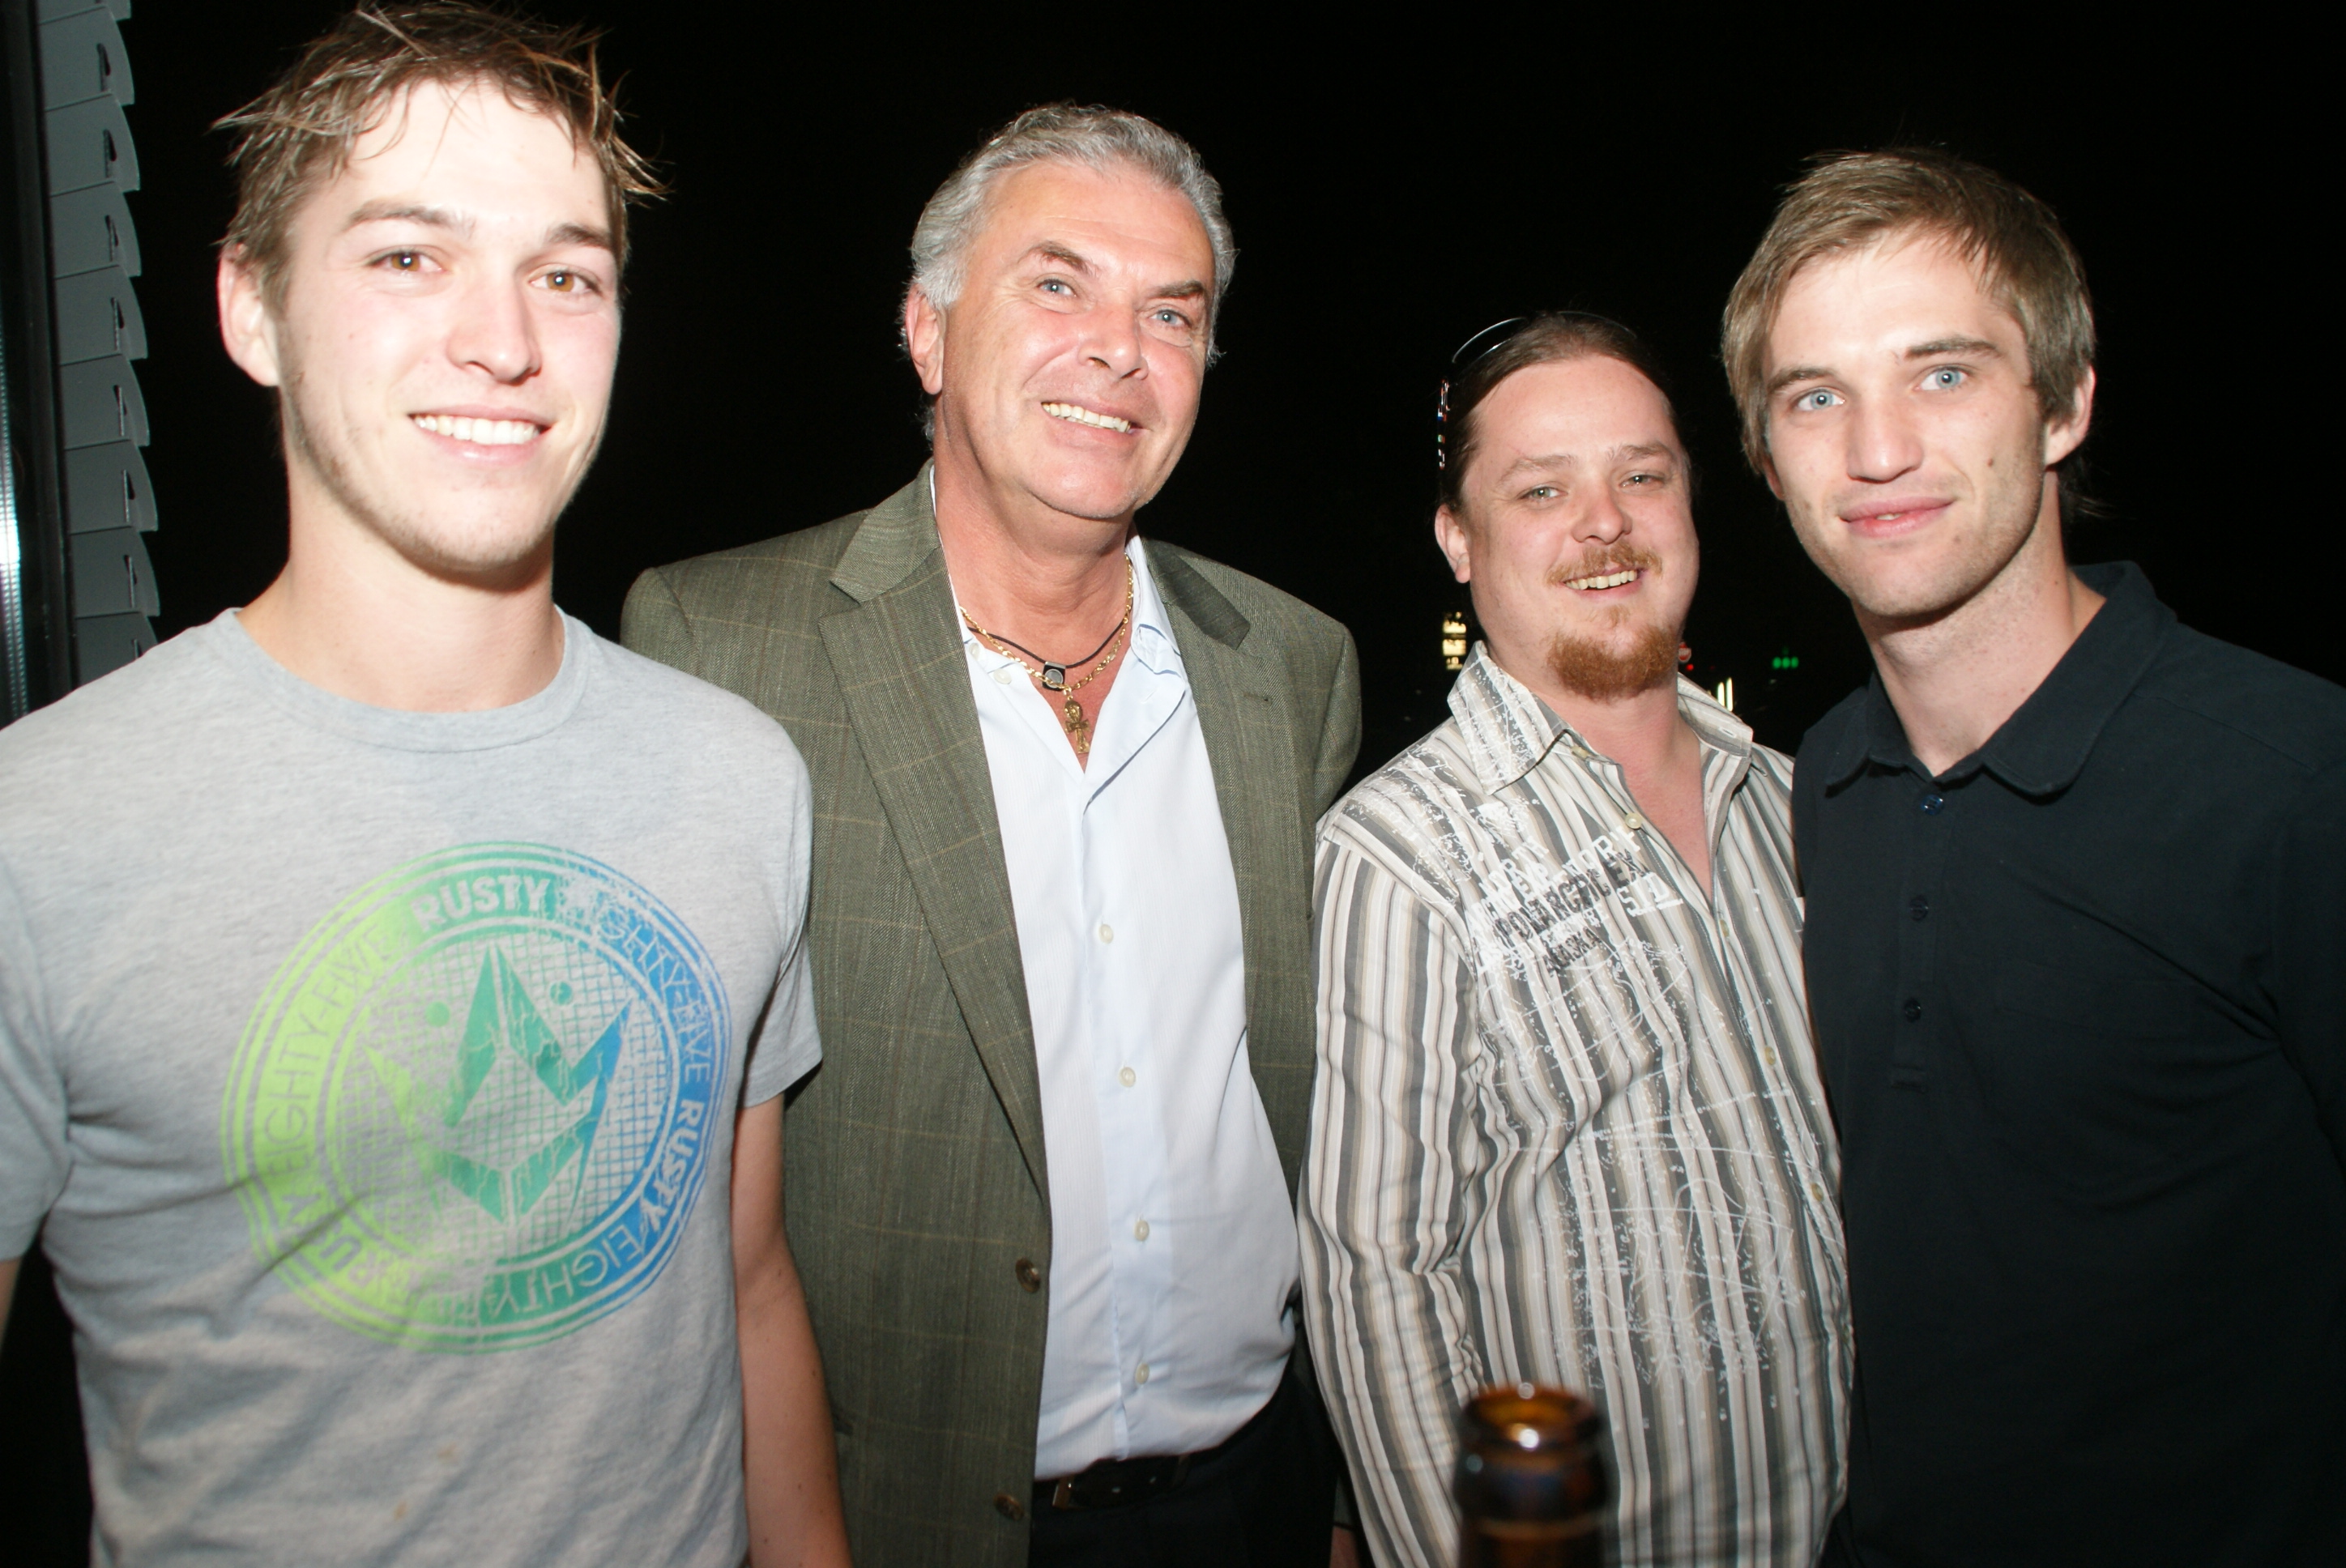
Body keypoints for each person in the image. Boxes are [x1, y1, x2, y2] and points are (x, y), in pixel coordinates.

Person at [0, 8, 850, 1564]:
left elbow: (746, 1287)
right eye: (408, 256)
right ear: (251, 308)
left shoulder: (741, 778)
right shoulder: (38, 835)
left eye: (566, 275)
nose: (503, 340)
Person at [625, 104, 1361, 1567]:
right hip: (906, 1517)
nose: (1120, 350)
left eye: (1172, 312)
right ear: (928, 331)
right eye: (1058, 283)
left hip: (1260, 1492)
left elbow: (1338, 1131)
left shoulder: (1296, 664)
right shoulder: (720, 647)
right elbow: (678, 1200)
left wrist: (1345, 1504)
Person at [1722, 147, 2346, 1565]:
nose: (1877, 450)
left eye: (1943, 374)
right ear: (1768, 461)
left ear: (2064, 405)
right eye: (1815, 397)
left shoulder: (2294, 783)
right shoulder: (1821, 783)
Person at [1303, 312, 1849, 1568]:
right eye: (1542, 490)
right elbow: (1376, 1278)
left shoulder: (1798, 804)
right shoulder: (1403, 851)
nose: (1606, 523)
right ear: (1459, 538)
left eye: (1641, 476)